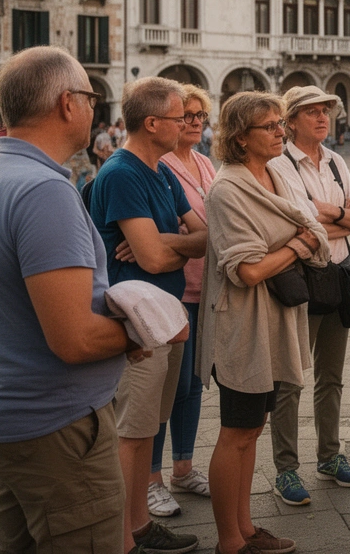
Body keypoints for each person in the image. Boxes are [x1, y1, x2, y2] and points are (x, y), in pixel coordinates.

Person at [0, 47, 164, 554]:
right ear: (68, 103)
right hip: (56, 430)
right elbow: (74, 338)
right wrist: (144, 331)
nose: (95, 109)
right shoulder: (43, 190)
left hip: (2, 418)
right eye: (90, 97)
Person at [201, 91, 328, 554]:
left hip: (273, 319)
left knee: (253, 430)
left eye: (280, 123)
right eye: (270, 126)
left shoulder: (276, 173)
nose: (281, 131)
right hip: (241, 327)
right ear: (239, 138)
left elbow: (311, 225)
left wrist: (302, 238)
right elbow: (248, 270)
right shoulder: (228, 188)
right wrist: (296, 246)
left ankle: (247, 528)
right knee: (236, 432)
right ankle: (228, 541)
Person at [90, 77, 207, 554]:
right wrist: (167, 249)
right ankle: (123, 538)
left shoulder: (160, 171)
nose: (188, 124)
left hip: (165, 315)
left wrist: (165, 245)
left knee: (146, 430)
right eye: (181, 117)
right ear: (153, 122)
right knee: (132, 433)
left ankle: (138, 525)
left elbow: (205, 237)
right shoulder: (121, 172)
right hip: (137, 324)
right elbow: (155, 260)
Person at [268, 86, 350, 505]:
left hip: (339, 275)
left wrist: (329, 215)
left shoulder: (334, 161)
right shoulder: (280, 164)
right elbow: (296, 225)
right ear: (290, 121)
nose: (321, 117)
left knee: (331, 375)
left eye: (325, 110)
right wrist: (343, 218)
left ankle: (329, 455)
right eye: (310, 112)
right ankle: (286, 468)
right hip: (302, 277)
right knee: (291, 377)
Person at [147, 85, 218, 517]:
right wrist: (185, 238)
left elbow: (213, 224)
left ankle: (183, 467)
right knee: (163, 388)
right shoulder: (161, 165)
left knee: (192, 385)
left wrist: (190, 236)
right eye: (187, 115)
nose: (194, 122)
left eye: (200, 116)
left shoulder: (206, 163)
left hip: (204, 286)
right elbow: (155, 234)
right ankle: (151, 477)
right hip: (174, 289)